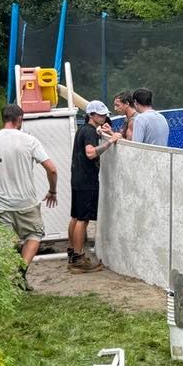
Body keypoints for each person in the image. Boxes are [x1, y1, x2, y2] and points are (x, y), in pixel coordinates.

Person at [0, 104, 59, 287]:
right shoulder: (29, 141)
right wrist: (52, 191)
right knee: (34, 234)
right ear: (19, 119)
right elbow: (51, 169)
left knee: (3, 241)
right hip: (25, 202)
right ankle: (21, 272)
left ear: (3, 118)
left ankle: (3, 280)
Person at [68, 100, 122, 273]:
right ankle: (78, 258)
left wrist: (103, 133)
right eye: (100, 115)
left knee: (76, 217)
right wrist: (110, 141)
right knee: (83, 220)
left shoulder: (83, 130)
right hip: (87, 181)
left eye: (104, 114)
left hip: (77, 178)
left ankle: (73, 253)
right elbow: (90, 153)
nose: (104, 117)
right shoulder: (90, 132)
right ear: (91, 115)